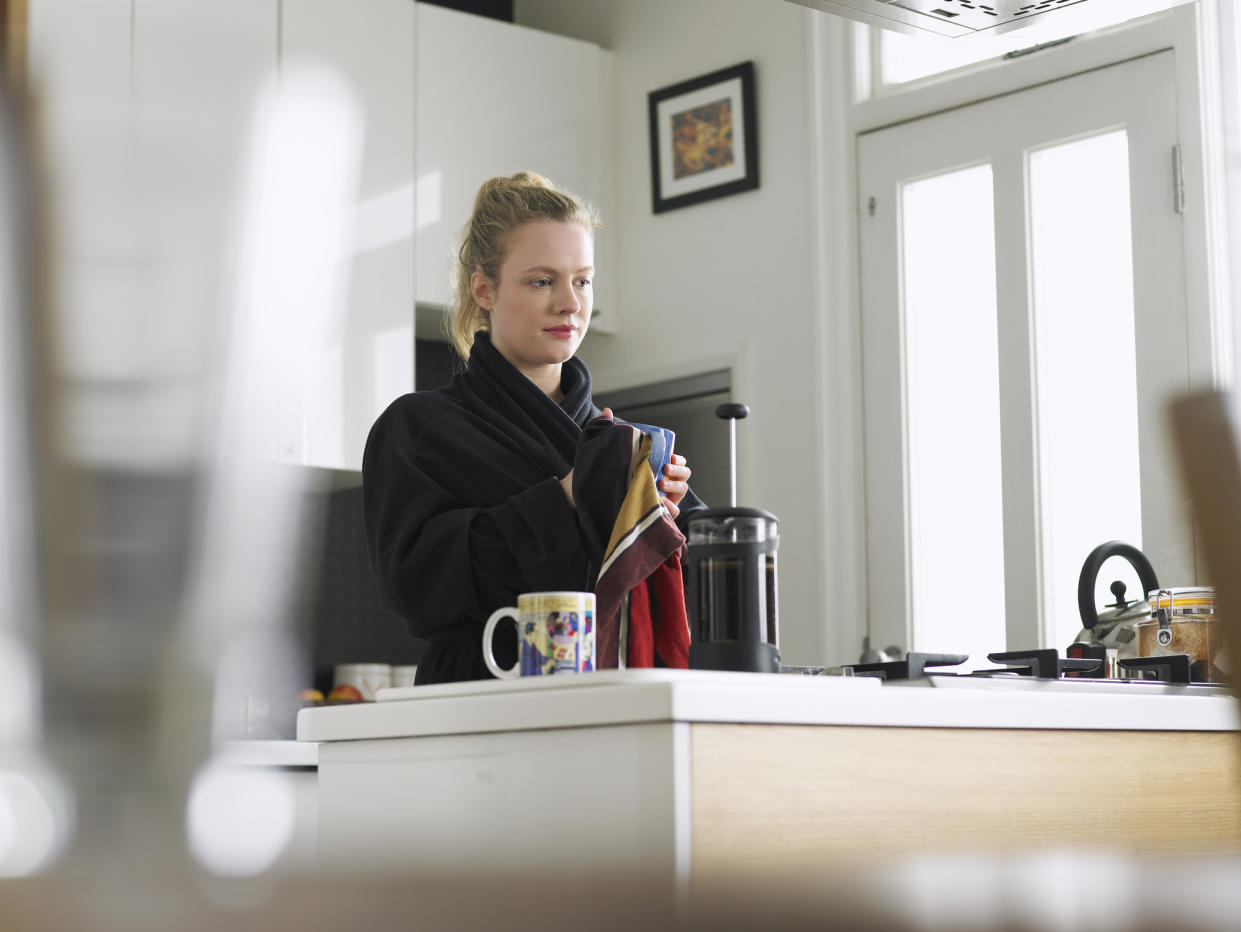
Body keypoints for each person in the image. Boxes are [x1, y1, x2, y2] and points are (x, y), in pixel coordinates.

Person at [362, 172, 704, 685]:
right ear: (484, 288)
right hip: (478, 703)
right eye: (542, 281)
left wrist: (659, 522)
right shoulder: (416, 429)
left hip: (621, 704)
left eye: (582, 280)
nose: (570, 302)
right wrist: (567, 499)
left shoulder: (621, 446)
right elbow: (412, 586)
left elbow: (690, 605)